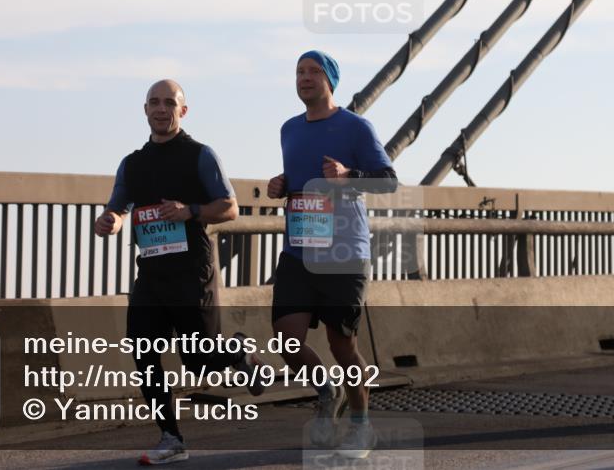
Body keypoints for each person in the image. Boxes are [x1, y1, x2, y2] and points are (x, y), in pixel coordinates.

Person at [95, 79, 263, 466]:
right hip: (152, 273)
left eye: (169, 103)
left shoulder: (200, 155)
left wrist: (190, 210)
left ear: (182, 111)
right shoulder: (132, 163)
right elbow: (118, 208)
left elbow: (230, 207)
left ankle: (240, 353)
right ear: (145, 109)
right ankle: (171, 437)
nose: (161, 108)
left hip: (191, 271)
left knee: (199, 361)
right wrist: (110, 222)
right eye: (154, 102)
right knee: (143, 351)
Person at [267, 51, 398, 459]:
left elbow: (388, 183)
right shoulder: (289, 129)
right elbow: (300, 178)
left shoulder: (356, 127)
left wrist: (348, 176)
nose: (304, 78)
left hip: (343, 251)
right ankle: (328, 386)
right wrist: (281, 184)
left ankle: (360, 425)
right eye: (299, 72)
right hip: (298, 248)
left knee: (343, 344)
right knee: (287, 341)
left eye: (313, 72)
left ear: (331, 81)